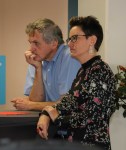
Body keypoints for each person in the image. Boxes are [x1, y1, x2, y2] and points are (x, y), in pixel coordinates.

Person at [37, 16, 117, 150]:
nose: (69, 44)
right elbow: (67, 103)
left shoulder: (101, 71)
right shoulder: (84, 71)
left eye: (75, 38)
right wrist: (46, 113)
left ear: (92, 40)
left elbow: (94, 116)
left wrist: (58, 118)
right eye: (69, 39)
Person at [11, 18, 80, 111]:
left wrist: (30, 105)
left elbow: (67, 104)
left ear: (54, 43)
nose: (31, 49)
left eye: (36, 43)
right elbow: (36, 100)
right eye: (30, 43)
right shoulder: (37, 59)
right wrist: (38, 68)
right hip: (47, 118)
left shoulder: (70, 57)